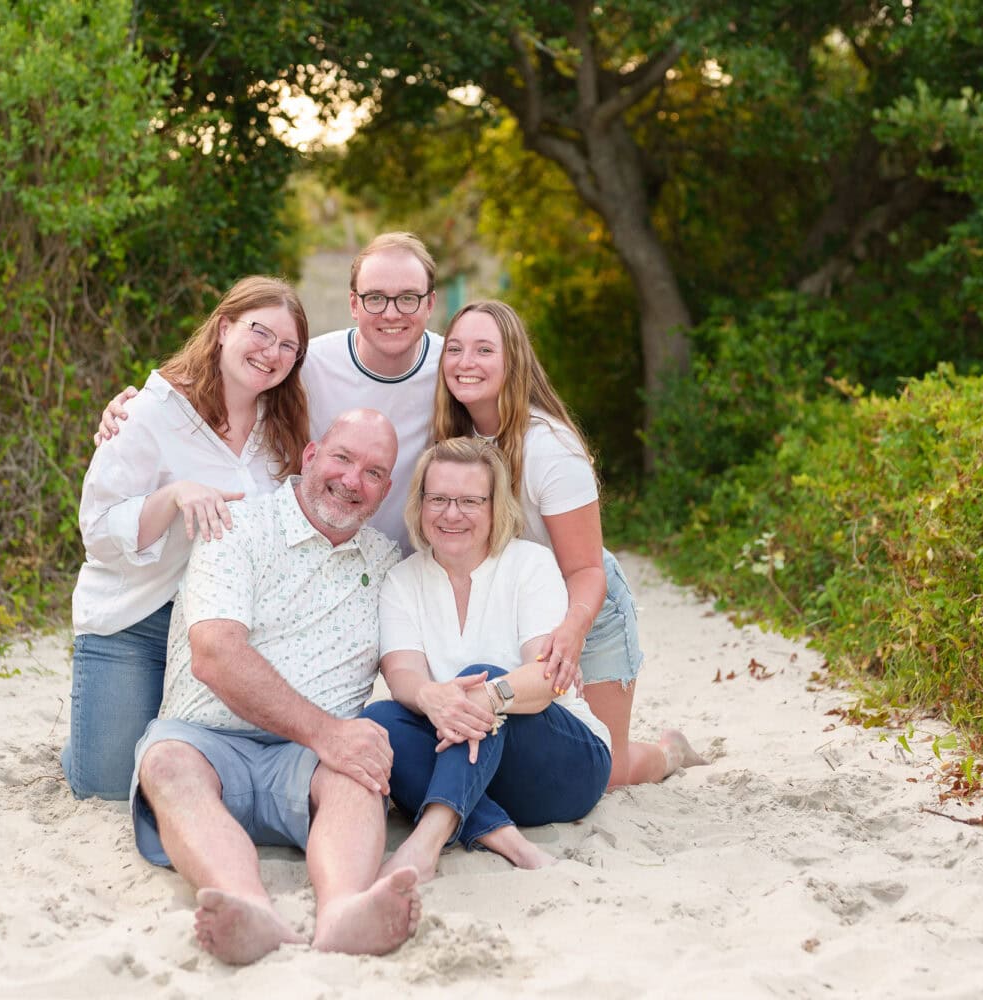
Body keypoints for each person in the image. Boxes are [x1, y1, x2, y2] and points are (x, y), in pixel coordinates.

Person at [131, 409, 421, 964]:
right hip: (206, 740)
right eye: (343, 458)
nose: (352, 481)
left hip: (311, 760)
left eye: (374, 472)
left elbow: (413, 660)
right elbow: (215, 654)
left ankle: (343, 912)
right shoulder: (235, 527)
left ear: (385, 491)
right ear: (311, 456)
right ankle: (248, 907)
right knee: (164, 763)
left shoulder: (388, 566)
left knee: (360, 772)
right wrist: (328, 732)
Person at [434, 300, 709, 788]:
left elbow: (585, 569)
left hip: (584, 610)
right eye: (454, 349)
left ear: (513, 360)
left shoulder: (549, 447)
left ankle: (669, 751)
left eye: (483, 349)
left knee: (605, 769)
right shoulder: (451, 439)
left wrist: (571, 633)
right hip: (514, 610)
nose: (465, 362)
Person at [66, 276, 310, 800]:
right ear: (224, 328)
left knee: (197, 777)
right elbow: (97, 529)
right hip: (136, 621)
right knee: (108, 786)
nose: (272, 353)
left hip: (225, 629)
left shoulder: (285, 427)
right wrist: (174, 495)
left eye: (288, 346)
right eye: (260, 333)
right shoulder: (150, 412)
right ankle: (90, 734)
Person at [364, 438, 627, 880]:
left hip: (561, 762)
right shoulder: (402, 580)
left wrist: (487, 697)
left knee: (473, 681)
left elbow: (547, 681)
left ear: (494, 506)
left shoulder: (530, 565)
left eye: (469, 501)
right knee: (377, 722)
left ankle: (426, 843)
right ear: (420, 503)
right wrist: (434, 698)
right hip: (470, 768)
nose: (452, 514)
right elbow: (402, 674)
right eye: (440, 499)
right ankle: (507, 841)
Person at [97, 232, 442, 553]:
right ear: (354, 304)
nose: (392, 312)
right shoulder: (305, 365)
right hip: (314, 565)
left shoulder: (452, 369)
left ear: (430, 303)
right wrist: (137, 407)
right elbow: (232, 380)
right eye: (376, 298)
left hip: (414, 568)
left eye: (408, 298)